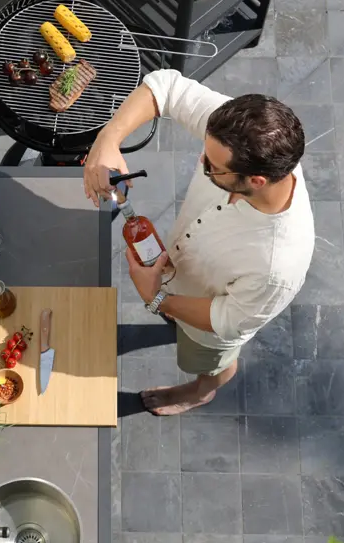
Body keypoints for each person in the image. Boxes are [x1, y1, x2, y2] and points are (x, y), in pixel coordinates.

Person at [83, 69, 315, 415]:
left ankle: (199, 393)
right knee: (173, 323)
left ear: (256, 180)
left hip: (205, 327)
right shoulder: (242, 137)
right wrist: (107, 141)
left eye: (213, 168)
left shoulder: (277, 265)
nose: (203, 163)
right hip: (174, 282)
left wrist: (157, 298)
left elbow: (227, 319)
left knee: (209, 363)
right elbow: (166, 87)